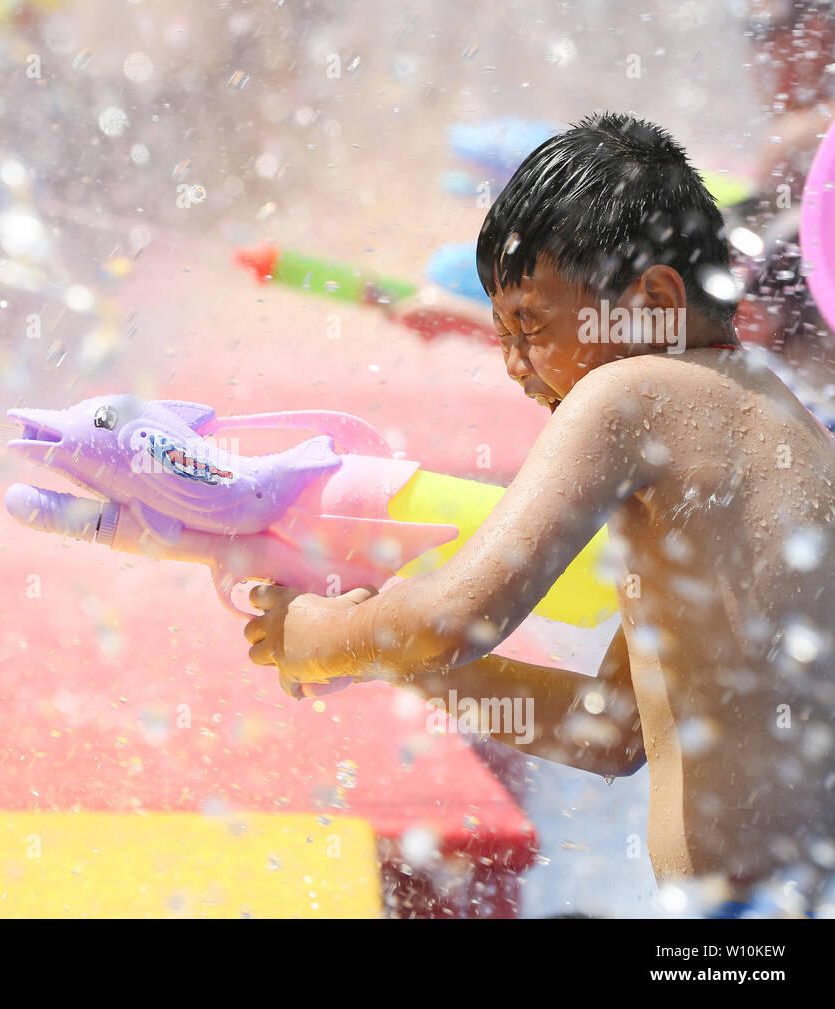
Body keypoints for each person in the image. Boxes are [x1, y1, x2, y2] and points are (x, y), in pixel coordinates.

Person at [242, 112, 835, 917]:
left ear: (655, 301)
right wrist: (395, 660)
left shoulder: (630, 395)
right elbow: (612, 732)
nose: (519, 370)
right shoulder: (780, 421)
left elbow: (454, 614)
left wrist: (312, 638)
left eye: (532, 327)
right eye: (503, 338)